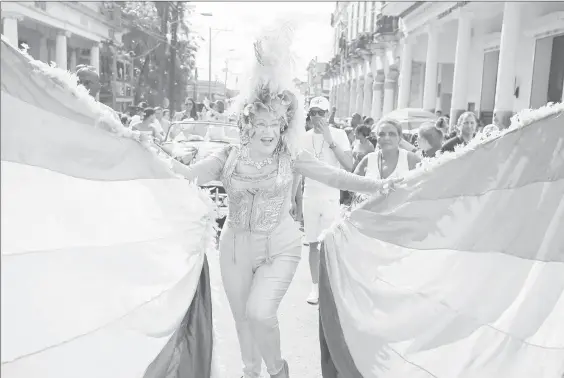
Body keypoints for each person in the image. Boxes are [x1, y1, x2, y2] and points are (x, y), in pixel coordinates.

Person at [167, 30, 401, 378]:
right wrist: (139, 147)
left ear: (283, 126)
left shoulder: (291, 156)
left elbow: (336, 176)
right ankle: (251, 372)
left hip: (281, 245)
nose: (267, 131)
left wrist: (380, 185)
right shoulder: (227, 156)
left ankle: (278, 371)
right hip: (233, 248)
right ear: (246, 124)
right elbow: (187, 174)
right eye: (260, 123)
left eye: (274, 124)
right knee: (243, 320)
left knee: (260, 312)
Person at [301, 96, 353, 306]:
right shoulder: (304, 137)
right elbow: (299, 168)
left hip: (331, 196)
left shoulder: (339, 134)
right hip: (309, 195)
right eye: (313, 112)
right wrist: (294, 198)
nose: (316, 117)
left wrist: (330, 140)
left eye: (320, 113)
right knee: (313, 244)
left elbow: (349, 165)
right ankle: (315, 287)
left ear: (328, 114)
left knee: (329, 244)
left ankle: (330, 287)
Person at [354, 117, 421, 180]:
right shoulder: (368, 159)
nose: (386, 138)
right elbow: (352, 186)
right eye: (382, 134)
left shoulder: (411, 159)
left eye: (391, 134)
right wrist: (361, 192)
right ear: (377, 138)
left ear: (399, 137)